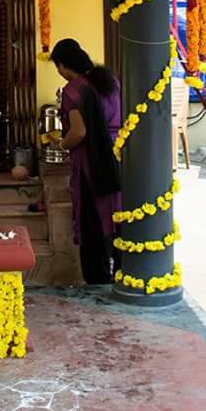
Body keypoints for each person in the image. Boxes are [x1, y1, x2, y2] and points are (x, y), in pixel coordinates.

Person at [50, 38, 121, 285]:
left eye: (57, 67)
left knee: (93, 218)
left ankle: (98, 278)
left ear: (63, 65)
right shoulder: (109, 79)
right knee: (118, 212)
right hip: (118, 153)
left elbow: (79, 132)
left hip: (92, 161)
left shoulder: (73, 90)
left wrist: (61, 144)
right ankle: (122, 270)